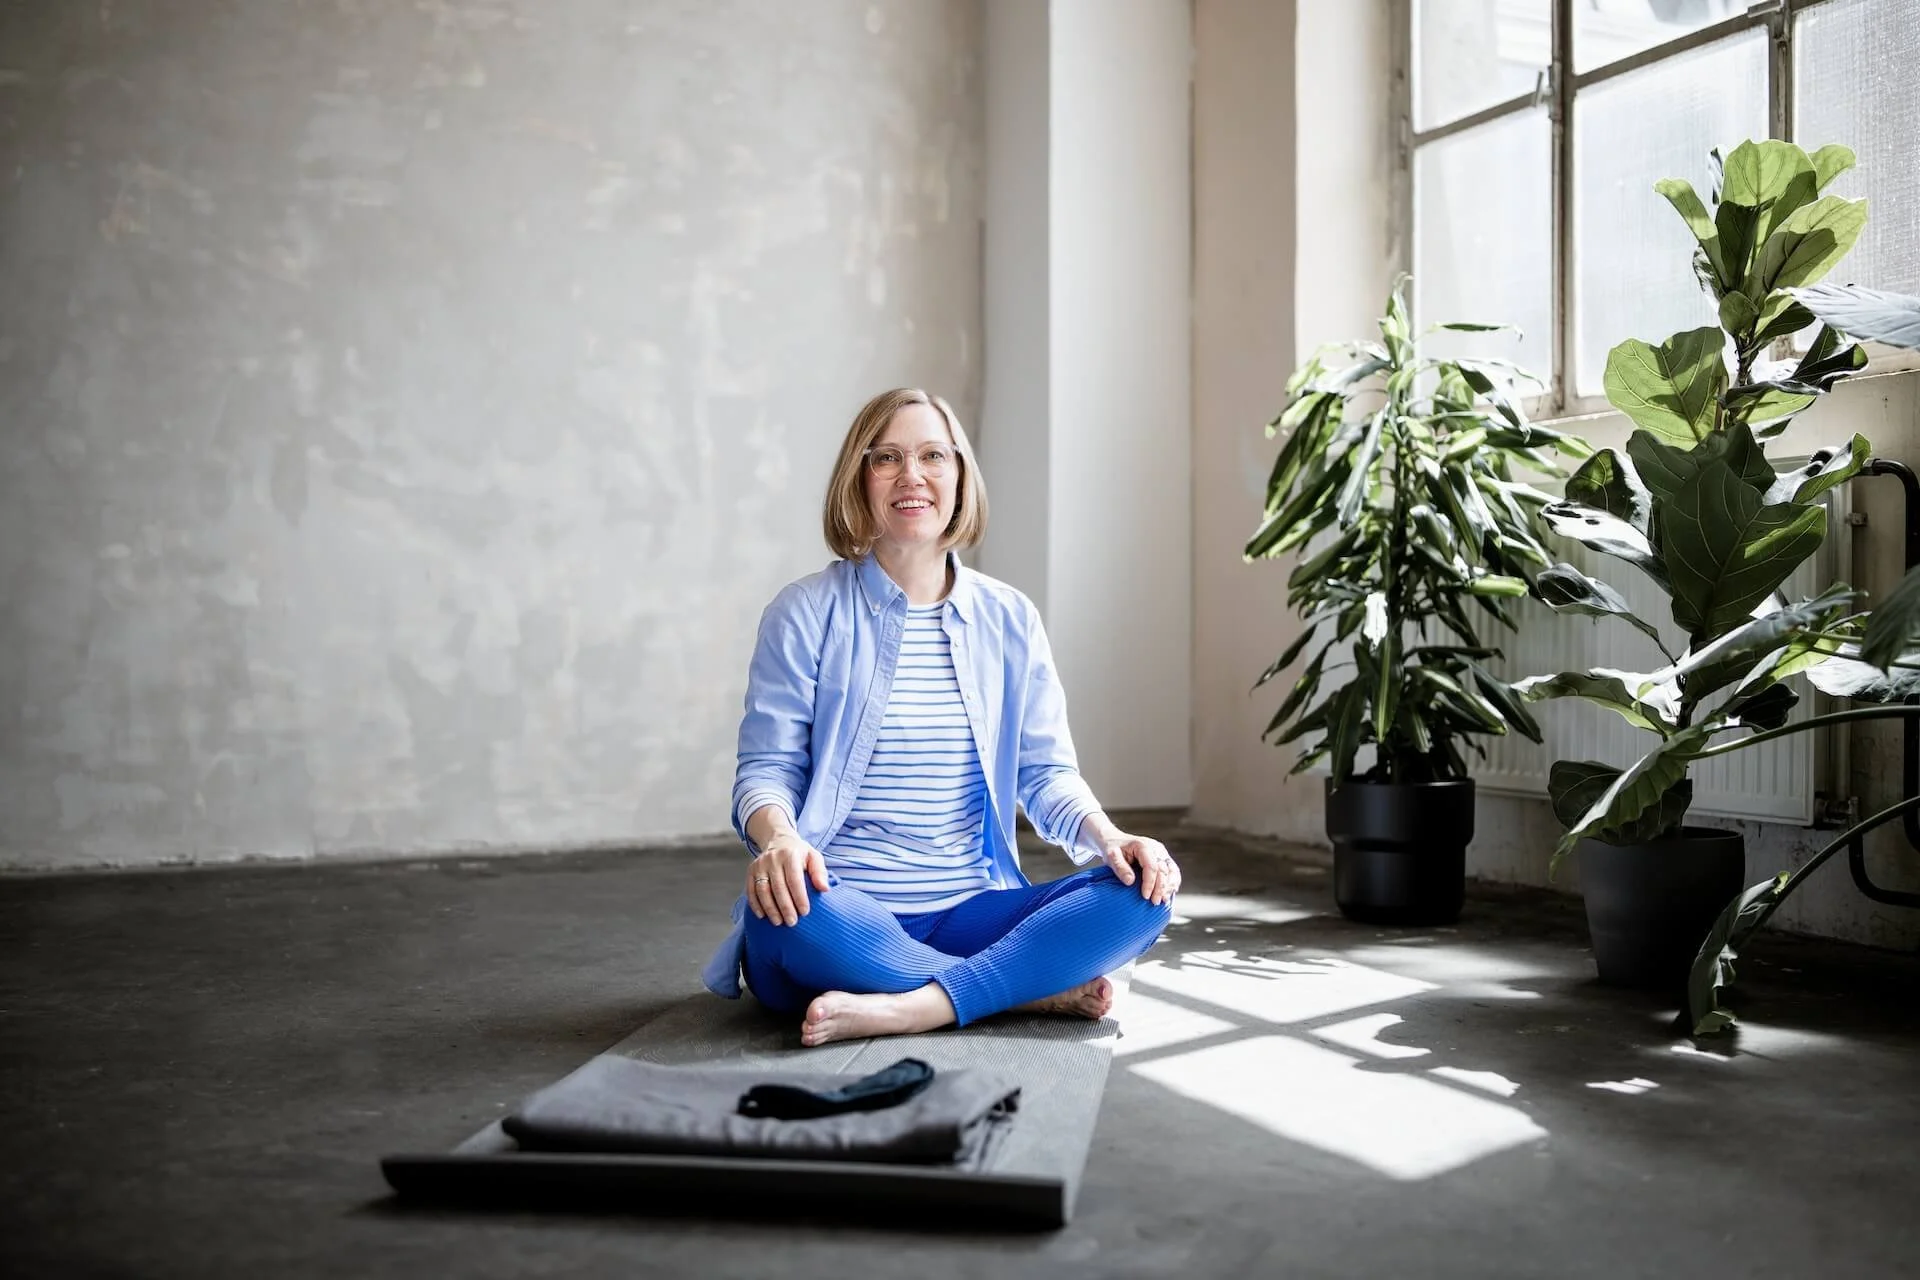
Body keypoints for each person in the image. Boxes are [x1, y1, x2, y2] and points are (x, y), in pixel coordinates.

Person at [699, 387, 1181, 1047]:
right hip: (840, 907)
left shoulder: (1009, 618)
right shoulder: (805, 612)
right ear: (859, 479)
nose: (912, 476)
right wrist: (780, 839)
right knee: (785, 917)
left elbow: (1044, 773)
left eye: (933, 455)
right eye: (886, 458)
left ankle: (912, 1006)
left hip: (970, 911)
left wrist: (1110, 838)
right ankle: (1020, 988)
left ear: (959, 476)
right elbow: (766, 768)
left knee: (1141, 892)